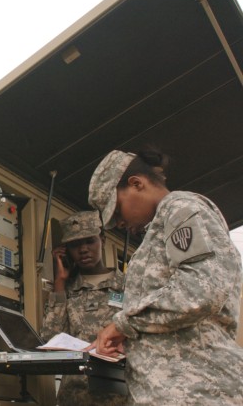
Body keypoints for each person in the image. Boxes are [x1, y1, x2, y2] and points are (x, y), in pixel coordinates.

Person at [87, 149, 243, 405]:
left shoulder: (181, 208)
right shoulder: (160, 228)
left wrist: (125, 324)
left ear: (137, 183)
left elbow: (200, 291)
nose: (118, 223)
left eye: (116, 211)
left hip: (198, 390)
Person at [40, 210, 127, 406]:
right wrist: (60, 282)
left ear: (102, 240)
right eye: (75, 245)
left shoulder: (127, 286)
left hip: (120, 395)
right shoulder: (67, 290)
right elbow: (49, 337)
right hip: (76, 396)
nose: (83, 249)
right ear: (66, 251)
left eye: (89, 241)